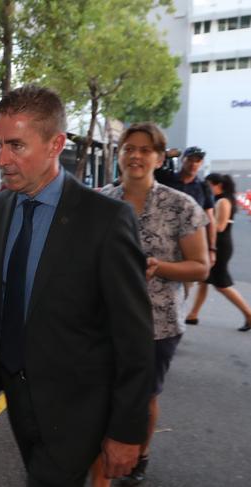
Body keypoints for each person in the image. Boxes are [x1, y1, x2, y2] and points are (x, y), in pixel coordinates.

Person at [0, 85, 155, 487]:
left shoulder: (105, 220)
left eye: (16, 146)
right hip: (13, 395)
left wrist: (128, 430)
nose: (2, 160)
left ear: (56, 143)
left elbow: (134, 337)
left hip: (77, 406)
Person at [100, 122, 210, 487]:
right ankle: (102, 453)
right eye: (128, 147)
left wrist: (158, 266)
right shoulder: (100, 201)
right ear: (118, 154)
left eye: (146, 150)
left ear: (160, 158)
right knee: (102, 393)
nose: (135, 155)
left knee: (143, 396)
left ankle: (139, 455)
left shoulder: (181, 206)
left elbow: (200, 267)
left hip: (156, 323)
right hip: (102, 320)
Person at [186, 173, 251, 331]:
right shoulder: (220, 200)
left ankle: (249, 314)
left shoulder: (223, 201)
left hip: (220, 246)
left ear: (218, 185)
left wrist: (204, 217)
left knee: (222, 284)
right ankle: (193, 315)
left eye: (209, 186)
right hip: (216, 244)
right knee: (204, 281)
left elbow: (220, 226)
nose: (207, 190)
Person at [156, 146, 217, 274]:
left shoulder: (203, 187)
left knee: (183, 282)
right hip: (162, 238)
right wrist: (166, 155)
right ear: (183, 160)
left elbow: (210, 219)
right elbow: (151, 167)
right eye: (190, 159)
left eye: (198, 161)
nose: (193, 164)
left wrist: (211, 249)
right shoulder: (166, 178)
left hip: (189, 241)